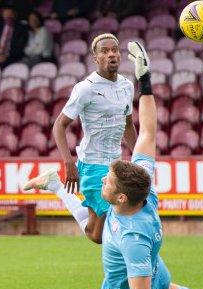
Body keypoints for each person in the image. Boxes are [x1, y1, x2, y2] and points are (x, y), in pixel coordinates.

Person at [25, 41, 203, 289]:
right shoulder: (146, 188)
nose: (104, 182)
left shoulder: (129, 231)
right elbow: (148, 131)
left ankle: (55, 187)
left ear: (120, 198)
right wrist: (145, 82)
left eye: (108, 183)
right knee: (161, 283)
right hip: (154, 275)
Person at [50, 33, 137, 244]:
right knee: (108, 227)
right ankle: (57, 186)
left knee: (96, 235)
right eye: (105, 51)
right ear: (95, 58)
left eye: (115, 50)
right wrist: (69, 162)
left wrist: (142, 157)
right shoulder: (85, 88)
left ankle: (54, 186)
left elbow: (128, 125)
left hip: (115, 165)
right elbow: (59, 126)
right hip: (92, 165)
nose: (111, 55)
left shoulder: (127, 85)